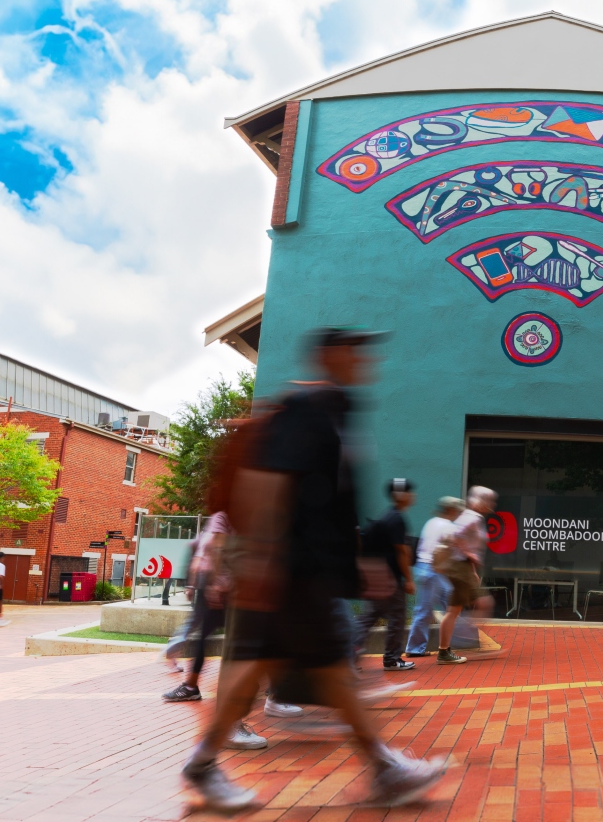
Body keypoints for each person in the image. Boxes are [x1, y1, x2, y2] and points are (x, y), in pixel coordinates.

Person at [180, 327, 445, 812]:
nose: (365, 359)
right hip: (289, 572)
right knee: (311, 670)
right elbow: (267, 482)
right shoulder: (307, 409)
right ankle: (383, 770)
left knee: (301, 670)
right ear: (331, 355)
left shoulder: (337, 412)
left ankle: (204, 764)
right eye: (355, 350)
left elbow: (332, 503)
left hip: (303, 572)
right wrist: (262, 559)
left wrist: (358, 561)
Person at [164, 511, 230, 701]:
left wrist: (212, 583)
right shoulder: (221, 516)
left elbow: (214, 547)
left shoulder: (223, 515)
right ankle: (190, 685)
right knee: (203, 636)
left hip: (218, 586)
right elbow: (204, 550)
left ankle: (191, 686)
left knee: (205, 635)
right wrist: (194, 583)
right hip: (214, 585)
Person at [357, 479, 416, 671]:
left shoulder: (388, 516)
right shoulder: (396, 518)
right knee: (397, 615)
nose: (412, 495)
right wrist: (409, 579)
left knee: (370, 616)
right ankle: (391, 659)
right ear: (400, 495)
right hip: (389, 578)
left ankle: (347, 656)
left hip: (377, 575)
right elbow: (401, 552)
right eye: (409, 492)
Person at [435, 486, 494, 665]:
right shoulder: (473, 517)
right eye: (489, 500)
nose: (491, 504)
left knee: (454, 610)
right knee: (483, 603)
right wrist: (470, 555)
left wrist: (472, 568)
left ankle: (445, 650)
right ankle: (462, 638)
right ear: (481, 501)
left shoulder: (470, 516)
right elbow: (455, 535)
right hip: (460, 568)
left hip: (462, 568)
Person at [405, 497, 463, 658]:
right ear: (451, 510)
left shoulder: (432, 522)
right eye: (457, 510)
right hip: (433, 570)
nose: (458, 513)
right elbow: (454, 549)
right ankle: (414, 649)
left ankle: (454, 641)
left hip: (427, 568)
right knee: (426, 610)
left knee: (451, 605)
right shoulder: (448, 526)